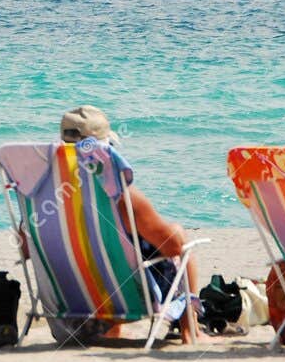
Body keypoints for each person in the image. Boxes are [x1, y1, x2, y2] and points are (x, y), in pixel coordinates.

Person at [58, 105, 201, 342]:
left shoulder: (43, 195)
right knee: (177, 234)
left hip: (73, 295)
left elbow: (26, 249)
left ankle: (111, 331)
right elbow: (173, 247)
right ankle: (191, 330)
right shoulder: (119, 196)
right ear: (106, 151)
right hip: (128, 295)